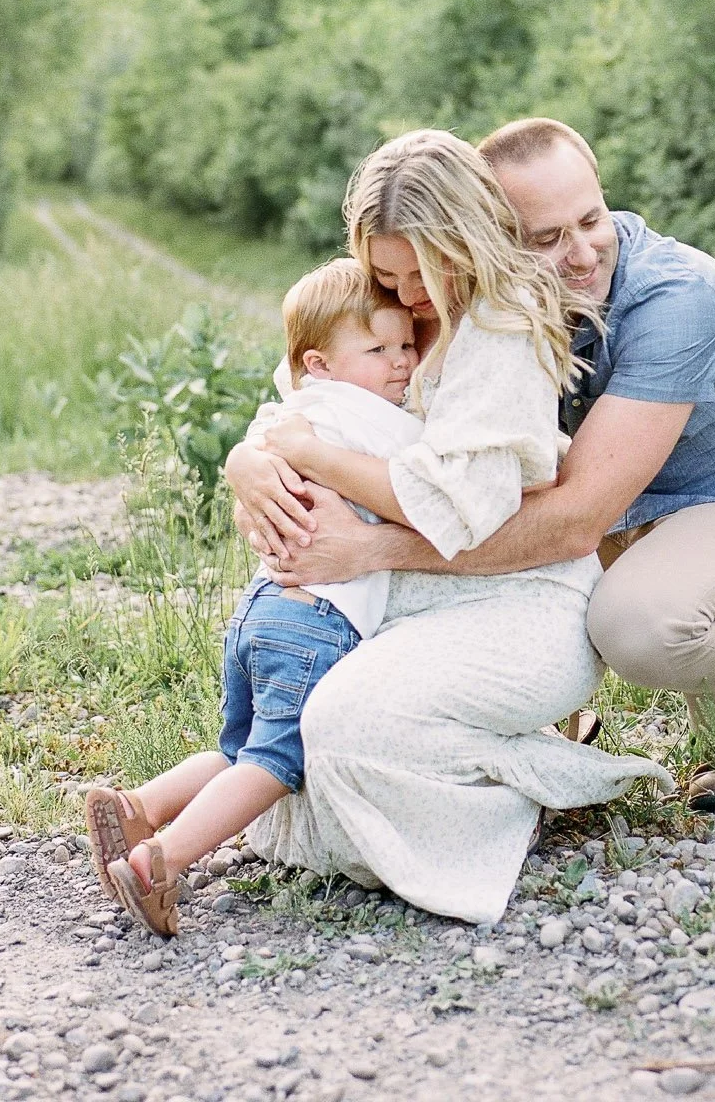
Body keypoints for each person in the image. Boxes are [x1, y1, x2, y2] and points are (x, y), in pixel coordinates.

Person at [233, 118, 715, 812]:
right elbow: (319, 394)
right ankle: (521, 730)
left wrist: (369, 549)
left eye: (591, 219)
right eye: (546, 238)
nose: (579, 254)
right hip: (612, 504)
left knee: (638, 623)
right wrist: (248, 460)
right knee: (516, 593)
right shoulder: (455, 293)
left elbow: (574, 523)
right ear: (491, 235)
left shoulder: (677, 302)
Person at [232, 129, 671, 924]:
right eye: (386, 273)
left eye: (419, 271)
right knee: (297, 729)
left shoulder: (504, 330)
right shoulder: (386, 308)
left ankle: (527, 785)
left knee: (340, 725)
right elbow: (303, 401)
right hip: (404, 601)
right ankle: (462, 776)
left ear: (464, 239)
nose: (403, 295)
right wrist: (249, 461)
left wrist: (313, 460)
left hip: (521, 600)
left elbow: (452, 506)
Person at [83, 258, 424, 937]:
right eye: (379, 349)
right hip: (315, 625)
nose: (401, 365)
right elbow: (428, 481)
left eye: (408, 346)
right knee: (275, 762)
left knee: (237, 750)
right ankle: (161, 860)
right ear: (321, 364)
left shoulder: (290, 409)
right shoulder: (371, 420)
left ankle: (140, 805)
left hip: (260, 611)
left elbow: (262, 435)